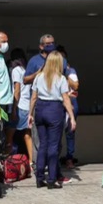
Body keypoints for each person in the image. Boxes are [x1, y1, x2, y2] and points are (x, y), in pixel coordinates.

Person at [24, 34, 71, 184]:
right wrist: (72, 116)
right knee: (53, 145)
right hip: (54, 109)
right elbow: (66, 98)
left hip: (40, 109)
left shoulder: (39, 77)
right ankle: (51, 178)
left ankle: (39, 177)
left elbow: (33, 97)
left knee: (42, 144)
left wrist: (30, 114)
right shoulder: (61, 78)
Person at [9, 48, 34, 168]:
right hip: (28, 106)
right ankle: (30, 161)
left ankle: (8, 161)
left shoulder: (16, 70)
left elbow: (17, 90)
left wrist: (13, 108)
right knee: (27, 135)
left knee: (10, 135)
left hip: (19, 106)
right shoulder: (26, 69)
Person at [57, 46, 79, 169]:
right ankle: (56, 158)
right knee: (57, 132)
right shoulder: (52, 73)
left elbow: (75, 86)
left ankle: (69, 158)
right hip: (58, 103)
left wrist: (65, 76)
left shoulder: (71, 71)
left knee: (70, 132)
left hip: (71, 101)